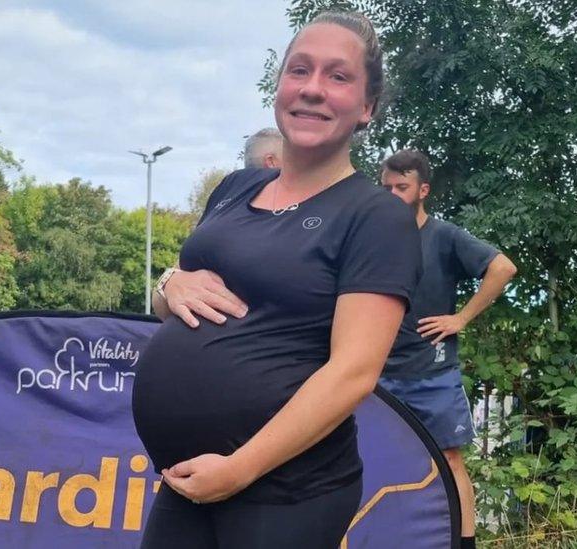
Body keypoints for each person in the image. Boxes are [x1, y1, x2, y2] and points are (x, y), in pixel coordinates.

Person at [131, 11, 422, 548]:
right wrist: (169, 283)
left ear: (367, 107)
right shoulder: (234, 189)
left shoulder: (375, 217)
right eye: (299, 70)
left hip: (285, 492)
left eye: (338, 77)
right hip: (190, 480)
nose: (313, 89)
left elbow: (353, 372)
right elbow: (181, 303)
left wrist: (240, 468)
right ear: (279, 85)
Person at [379, 149, 517, 549]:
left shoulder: (444, 236)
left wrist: (461, 319)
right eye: (385, 187)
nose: (391, 195)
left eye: (401, 188)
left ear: (423, 190)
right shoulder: (373, 239)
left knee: (449, 459)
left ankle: (465, 542)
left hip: (431, 373)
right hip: (375, 376)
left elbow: (503, 268)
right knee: (378, 460)